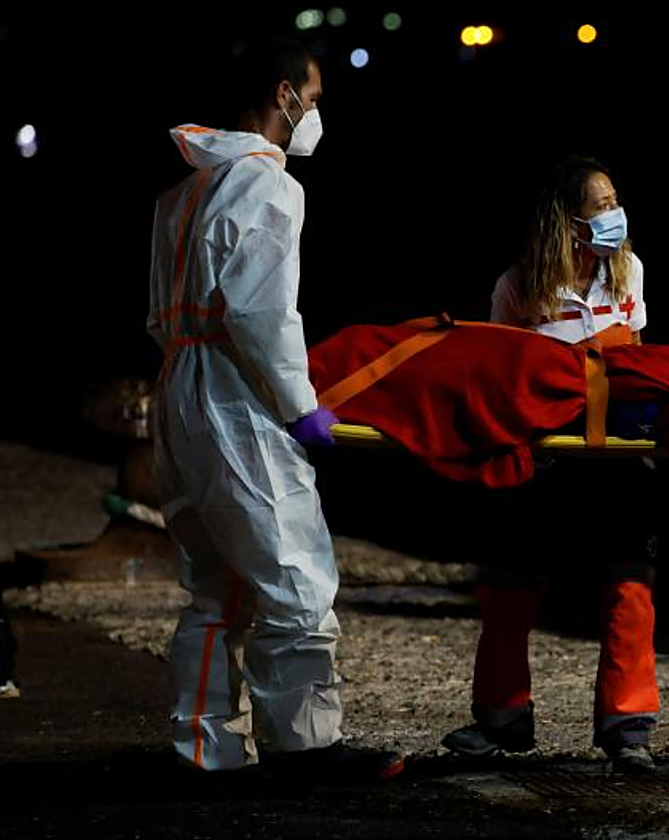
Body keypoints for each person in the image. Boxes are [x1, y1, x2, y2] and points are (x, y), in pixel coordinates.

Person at [147, 35, 403, 782]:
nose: (315, 113)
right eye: (313, 98)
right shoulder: (267, 184)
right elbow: (261, 314)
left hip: (179, 385)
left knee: (214, 587)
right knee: (296, 580)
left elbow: (166, 312)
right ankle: (306, 748)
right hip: (234, 395)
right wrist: (299, 406)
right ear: (284, 95)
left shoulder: (183, 193)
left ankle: (205, 751)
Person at [440, 156, 660, 773]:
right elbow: (499, 376)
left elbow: (639, 360)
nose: (615, 215)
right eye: (601, 206)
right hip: (541, 465)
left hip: (615, 462)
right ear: (568, 221)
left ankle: (628, 733)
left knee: (629, 589)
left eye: (615, 202)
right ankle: (502, 720)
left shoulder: (630, 272)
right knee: (508, 588)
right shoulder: (519, 287)